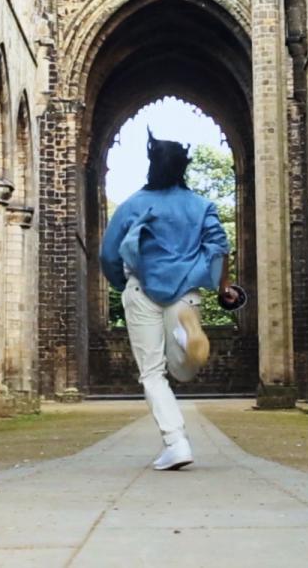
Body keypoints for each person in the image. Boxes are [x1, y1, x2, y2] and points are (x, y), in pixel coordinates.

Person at [100, 133, 235, 471]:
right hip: (186, 290)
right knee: (183, 370)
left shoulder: (133, 204)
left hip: (142, 289)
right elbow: (220, 246)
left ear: (152, 165)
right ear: (182, 167)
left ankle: (176, 442)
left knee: (152, 373)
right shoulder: (201, 206)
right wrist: (222, 286)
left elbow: (108, 253)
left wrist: (122, 284)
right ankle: (188, 339)